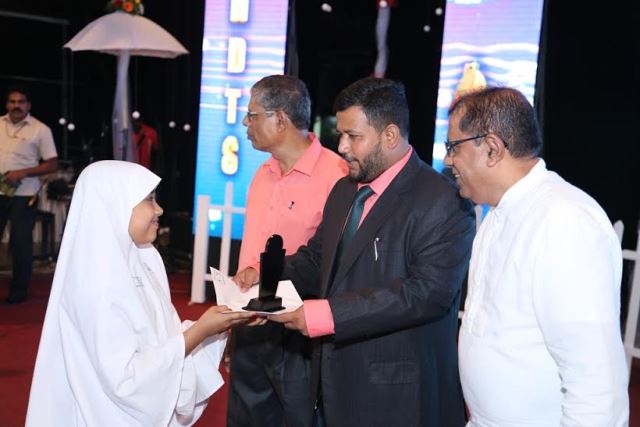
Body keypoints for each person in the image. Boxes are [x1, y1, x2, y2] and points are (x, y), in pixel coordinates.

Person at [236, 77, 475, 426]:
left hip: (398, 397)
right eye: (341, 134)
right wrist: (266, 277)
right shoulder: (345, 190)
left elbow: (426, 293)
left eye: (354, 136)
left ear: (390, 135)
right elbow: (317, 259)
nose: (342, 147)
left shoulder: (442, 199)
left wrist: (327, 315)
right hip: (333, 383)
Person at [445, 87, 629, 425]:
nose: (448, 160)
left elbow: (596, 385)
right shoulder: (498, 213)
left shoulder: (564, 220)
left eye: (453, 147)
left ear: (492, 148)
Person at [26, 161, 256, 426]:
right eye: (149, 199)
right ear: (116, 203)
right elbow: (126, 381)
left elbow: (161, 336)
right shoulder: (95, 283)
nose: (159, 209)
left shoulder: (144, 258)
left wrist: (217, 328)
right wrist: (201, 331)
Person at [227, 75, 347, 427]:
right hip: (250, 319)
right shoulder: (262, 173)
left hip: (299, 330)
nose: (245, 123)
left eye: (252, 115)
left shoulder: (337, 176)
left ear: (280, 119)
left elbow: (334, 263)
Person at [0, 86, 58, 304]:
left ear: (28, 105)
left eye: (21, 102)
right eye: (12, 101)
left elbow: (51, 164)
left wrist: (22, 172)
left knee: (20, 242)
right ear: (7, 104)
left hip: (24, 193)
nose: (16, 105)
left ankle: (18, 291)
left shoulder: (40, 129)